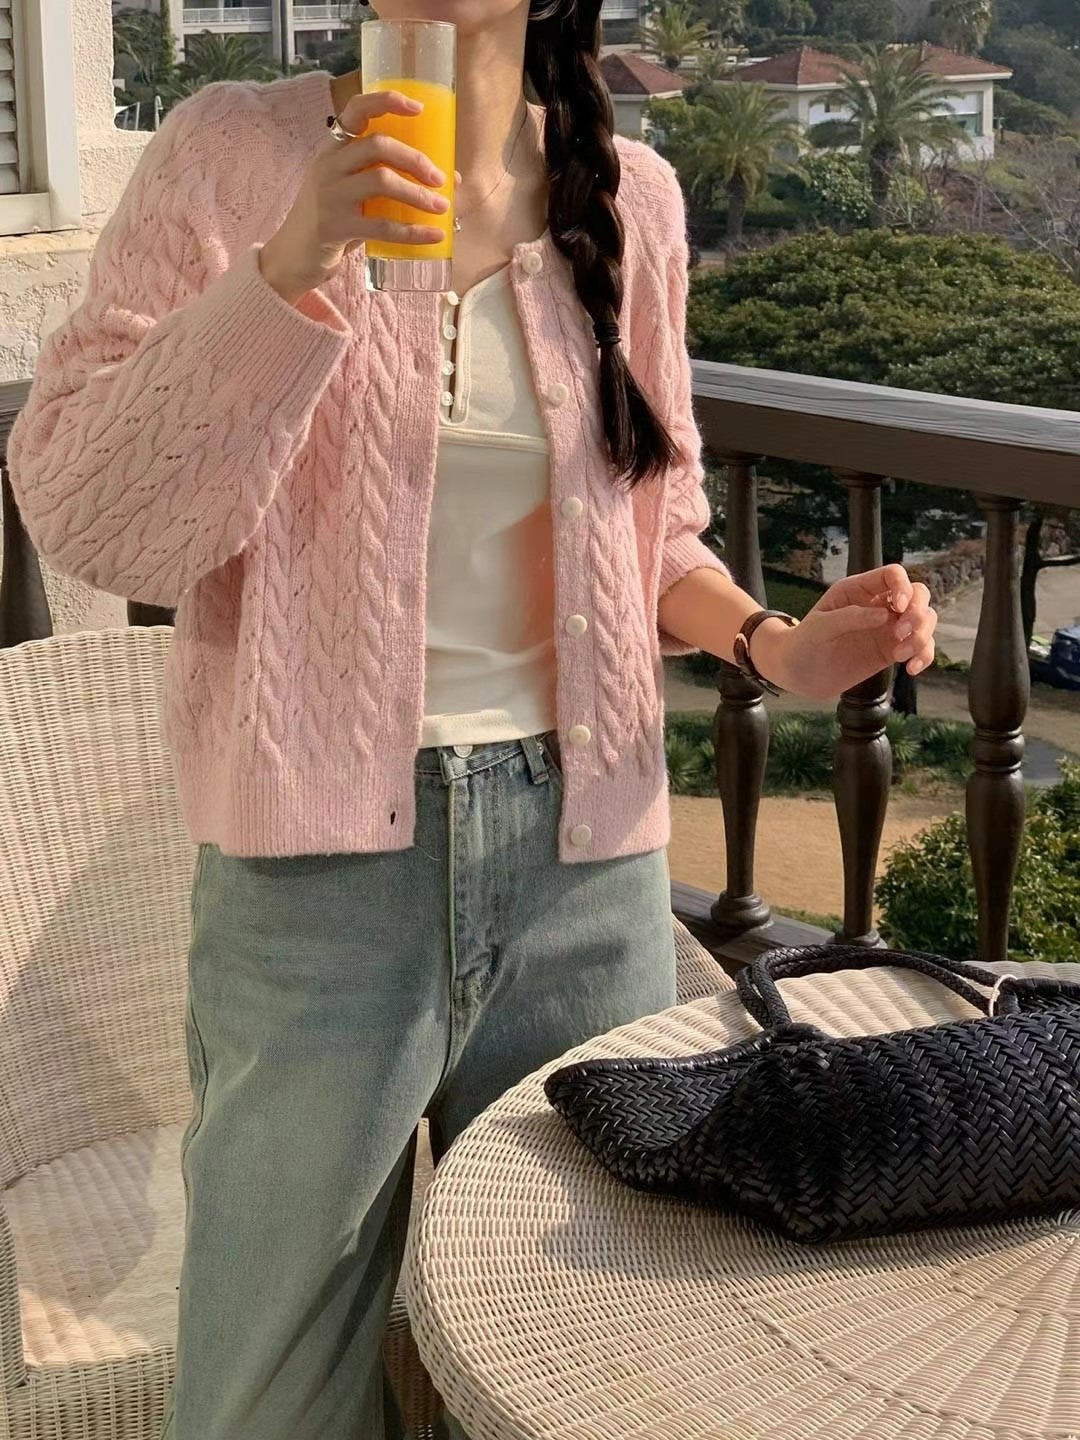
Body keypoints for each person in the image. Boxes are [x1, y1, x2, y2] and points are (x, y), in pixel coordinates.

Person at [6, 0, 938, 1435]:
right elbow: (93, 517)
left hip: (587, 871)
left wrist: (781, 647)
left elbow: (653, 527)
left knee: (584, 1376)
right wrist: (289, 266)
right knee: (265, 1401)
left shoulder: (630, 197)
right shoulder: (229, 155)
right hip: (316, 885)